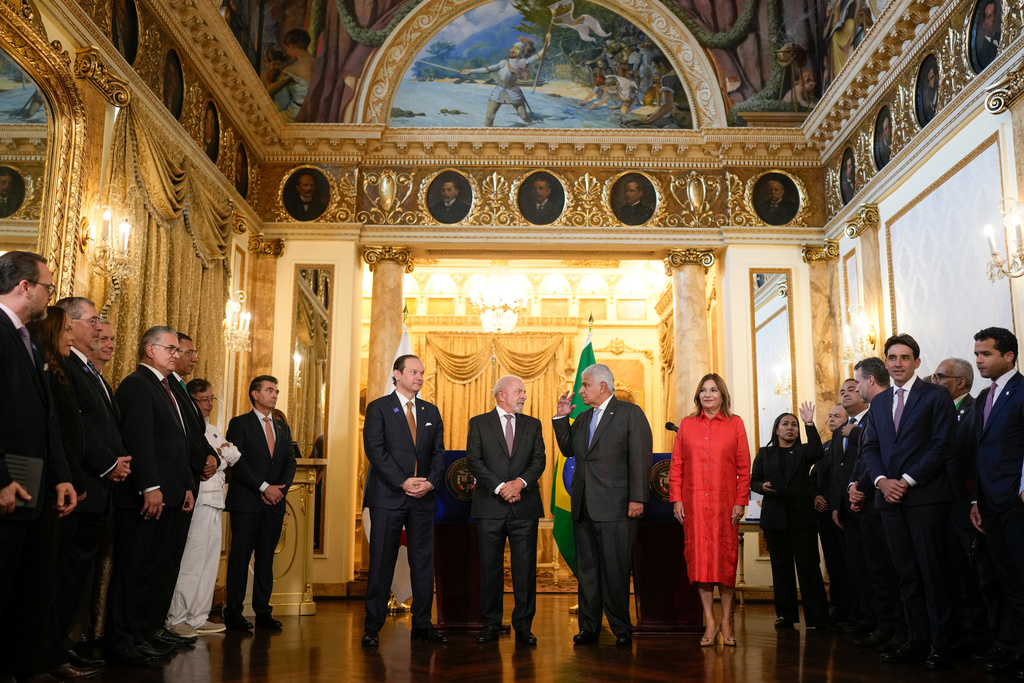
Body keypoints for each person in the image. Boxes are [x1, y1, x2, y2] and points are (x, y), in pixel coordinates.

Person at [0, 252, 76, 682]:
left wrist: (62, 476)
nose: (50, 293)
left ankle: (16, 666)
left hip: (37, 486)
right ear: (25, 286)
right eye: (46, 285)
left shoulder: (27, 338)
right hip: (9, 485)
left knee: (25, 587)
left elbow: (47, 417)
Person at [860, 334, 956, 670]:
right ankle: (916, 640)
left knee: (932, 573)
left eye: (904, 357)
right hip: (888, 500)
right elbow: (870, 448)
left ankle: (941, 645)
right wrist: (882, 482)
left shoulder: (936, 395)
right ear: (885, 363)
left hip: (926, 499)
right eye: (892, 357)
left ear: (916, 362)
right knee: (905, 575)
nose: (897, 363)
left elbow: (943, 445)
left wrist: (906, 481)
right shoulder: (881, 402)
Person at [49, 298, 129, 672]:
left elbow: (101, 425)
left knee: (73, 579)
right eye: (93, 321)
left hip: (98, 491)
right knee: (61, 577)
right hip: (80, 488)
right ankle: (48, 653)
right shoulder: (66, 367)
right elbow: (75, 428)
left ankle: (58, 646)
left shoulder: (91, 372)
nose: (99, 329)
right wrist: (109, 463)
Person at [108, 326, 193, 666]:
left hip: (170, 494)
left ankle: (141, 634)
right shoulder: (137, 385)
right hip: (147, 496)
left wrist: (184, 485)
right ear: (149, 350)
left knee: (152, 570)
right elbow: (140, 441)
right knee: (133, 568)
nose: (176, 353)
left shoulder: (167, 387)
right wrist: (150, 487)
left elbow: (179, 443)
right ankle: (122, 640)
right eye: (170, 348)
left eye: (176, 349)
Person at [554, 363, 652, 646]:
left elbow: (640, 458)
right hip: (583, 508)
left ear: (602, 386)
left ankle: (622, 628)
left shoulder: (629, 413)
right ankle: (589, 628)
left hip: (617, 507)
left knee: (616, 569)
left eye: (584, 385)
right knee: (587, 572)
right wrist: (562, 418)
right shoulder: (583, 418)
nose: (580, 390)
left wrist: (637, 497)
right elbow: (569, 449)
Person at [361, 355, 447, 647]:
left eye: (422, 373)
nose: (419, 377)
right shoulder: (379, 408)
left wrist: (430, 482)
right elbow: (375, 450)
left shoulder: (431, 411)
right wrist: (402, 481)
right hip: (388, 497)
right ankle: (372, 627)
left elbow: (439, 454)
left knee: (423, 564)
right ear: (396, 374)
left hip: (423, 499)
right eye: (413, 372)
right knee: (381, 564)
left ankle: (423, 624)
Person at [669, 373, 750, 646]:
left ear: (722, 395)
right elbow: (676, 465)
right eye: (703, 390)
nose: (708, 394)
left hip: (725, 506)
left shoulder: (735, 424)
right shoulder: (686, 425)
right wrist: (677, 499)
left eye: (713, 390)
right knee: (701, 564)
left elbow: (743, 467)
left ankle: (726, 622)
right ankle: (710, 622)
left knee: (725, 564)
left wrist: (741, 501)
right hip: (694, 506)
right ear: (698, 396)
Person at [465, 375, 546, 645]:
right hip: (490, 507)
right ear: (501, 395)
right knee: (490, 569)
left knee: (525, 570)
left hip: (525, 507)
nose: (524, 395)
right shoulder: (478, 423)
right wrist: (501, 487)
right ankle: (491, 624)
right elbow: (474, 461)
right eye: (519, 391)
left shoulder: (533, 425)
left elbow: (539, 460)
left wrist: (519, 483)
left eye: (524, 391)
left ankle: (523, 626)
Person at [969, 327, 1024, 676]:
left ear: (1009, 356)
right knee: (1006, 582)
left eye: (985, 354)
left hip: (1016, 501)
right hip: (989, 503)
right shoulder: (981, 398)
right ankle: (1014, 647)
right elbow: (979, 451)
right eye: (976, 354)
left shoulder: (1022, 391)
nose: (978, 360)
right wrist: (975, 499)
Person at [156, 333, 218, 641]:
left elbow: (195, 435)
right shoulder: (164, 387)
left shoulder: (176, 387)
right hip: (166, 487)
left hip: (187, 486)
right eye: (186, 351)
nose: (193, 357)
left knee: (177, 561)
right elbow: (175, 438)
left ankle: (168, 623)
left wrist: (212, 457)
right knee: (174, 562)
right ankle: (166, 622)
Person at [224, 375, 296, 631]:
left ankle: (263, 612)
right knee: (240, 559)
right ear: (255, 394)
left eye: (276, 390)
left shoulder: (282, 428)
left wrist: (280, 490)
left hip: (274, 504)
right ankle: (233, 612)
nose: (275, 395)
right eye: (269, 390)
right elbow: (237, 462)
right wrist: (264, 487)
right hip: (247, 502)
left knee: (266, 561)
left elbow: (290, 462)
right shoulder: (239, 424)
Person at [168, 379, 239, 636]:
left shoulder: (213, 428)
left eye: (212, 399)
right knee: (192, 561)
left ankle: (198, 616)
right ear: (192, 401)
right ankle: (177, 617)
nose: (210, 403)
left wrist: (222, 456)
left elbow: (235, 454)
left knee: (209, 563)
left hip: (216, 499)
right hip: (199, 499)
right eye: (204, 399)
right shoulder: (193, 428)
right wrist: (222, 456)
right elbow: (211, 459)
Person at [751, 403, 830, 629]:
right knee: (781, 568)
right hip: (775, 518)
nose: (790, 428)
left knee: (809, 566)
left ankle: (817, 617)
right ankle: (786, 615)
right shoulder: (764, 453)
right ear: (776, 430)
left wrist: (809, 423)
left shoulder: (805, 450)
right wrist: (762, 486)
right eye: (785, 424)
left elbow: (817, 452)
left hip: (802, 517)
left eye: (794, 425)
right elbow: (753, 480)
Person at [930, 357, 989, 652]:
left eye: (940, 377)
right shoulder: (938, 413)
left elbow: (977, 462)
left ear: (960, 382)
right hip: (939, 508)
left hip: (967, 509)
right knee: (950, 575)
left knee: (974, 579)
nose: (934, 382)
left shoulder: (976, 410)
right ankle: (959, 635)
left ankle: (979, 639)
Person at [847, 360, 906, 651]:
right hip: (867, 501)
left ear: (870, 380)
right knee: (876, 570)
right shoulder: (873, 412)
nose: (856, 388)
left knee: (894, 570)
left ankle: (900, 629)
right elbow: (863, 456)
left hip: (887, 501)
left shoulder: (888, 407)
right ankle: (885, 626)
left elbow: (883, 455)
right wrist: (853, 487)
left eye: (857, 382)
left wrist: (864, 487)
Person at [811, 402, 854, 624]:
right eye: (829, 416)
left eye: (837, 416)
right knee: (834, 565)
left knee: (851, 564)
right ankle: (839, 609)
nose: (831, 420)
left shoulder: (852, 444)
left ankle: (855, 611)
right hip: (825, 517)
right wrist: (815, 496)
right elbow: (813, 480)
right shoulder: (824, 448)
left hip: (847, 514)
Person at [460, 35, 548, 127]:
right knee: (489, 116)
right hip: (498, 91)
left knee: (524, 117)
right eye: (512, 48)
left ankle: (534, 128)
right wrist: (470, 71)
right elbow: (487, 69)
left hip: (513, 91)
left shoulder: (522, 62)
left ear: (521, 52)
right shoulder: (503, 63)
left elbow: (539, 55)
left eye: (517, 49)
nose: (513, 50)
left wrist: (548, 43)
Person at [267, 29, 313, 122]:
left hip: (295, 115)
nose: (287, 52)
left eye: (287, 49)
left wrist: (266, 82)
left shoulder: (290, 70)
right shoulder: (318, 63)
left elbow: (269, 92)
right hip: (313, 113)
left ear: (291, 46)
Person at [976, 0, 999, 70]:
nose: (993, 19)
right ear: (983, 25)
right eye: (989, 17)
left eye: (993, 13)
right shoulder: (982, 54)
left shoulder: (1003, 34)